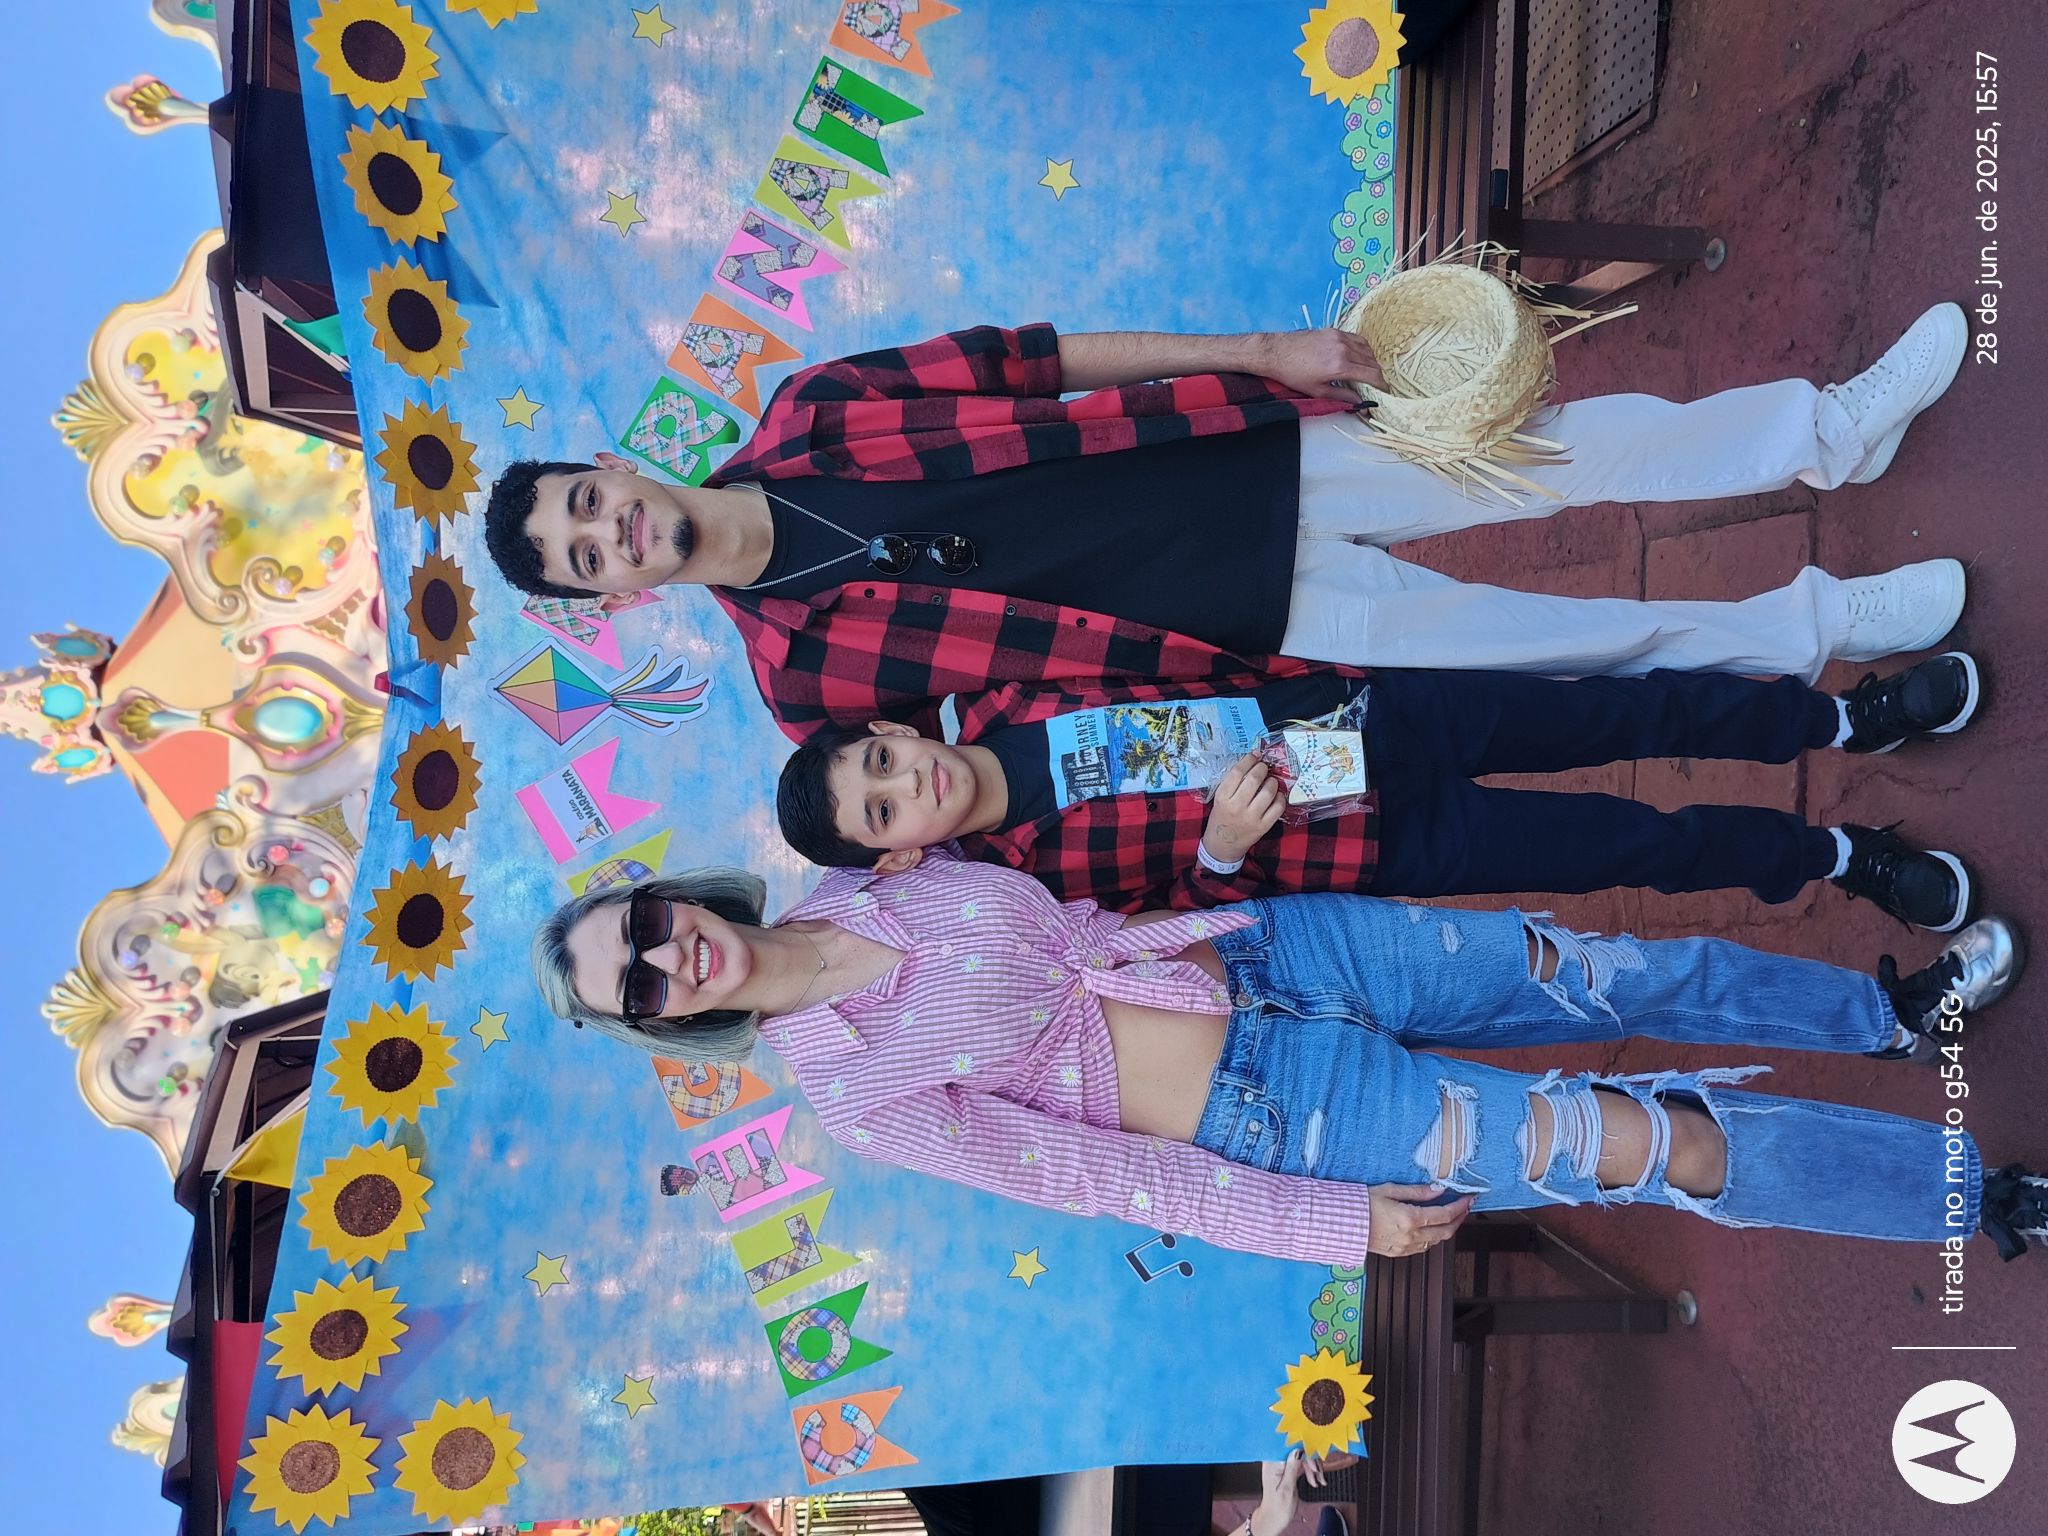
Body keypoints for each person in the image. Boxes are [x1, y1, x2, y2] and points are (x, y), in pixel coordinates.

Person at [483, 309, 1970, 744]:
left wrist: (1260, 355)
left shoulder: (819, 409)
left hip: (1243, 462)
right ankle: (1821, 628)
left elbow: (1037, 362)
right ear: (610, 603)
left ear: (615, 465)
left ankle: (1825, 431)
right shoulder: (801, 688)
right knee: (1570, 645)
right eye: (585, 558)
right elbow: (1004, 745)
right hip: (1246, 632)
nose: (612, 533)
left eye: (587, 504)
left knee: (1564, 452)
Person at [530, 849, 2042, 1263]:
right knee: (1656, 1146)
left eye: (644, 927)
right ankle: (1977, 1200)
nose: (668, 956)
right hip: (1293, 1114)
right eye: (639, 986)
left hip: (1284, 948)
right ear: (663, 1024)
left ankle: (1889, 1016)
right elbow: (1098, 1182)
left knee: (1605, 967)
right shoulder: (851, 1093)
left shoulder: (857, 871)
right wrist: (1324, 1227)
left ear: (673, 898)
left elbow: (1083, 870)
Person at [775, 653, 1982, 932]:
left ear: (888, 729)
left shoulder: (1010, 691)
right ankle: (1835, 859)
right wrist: (1220, 850)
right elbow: (1174, 927)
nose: (907, 782)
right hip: (1364, 843)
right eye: (883, 812)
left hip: (1362, 718)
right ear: (898, 857)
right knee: (1629, 846)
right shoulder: (1028, 888)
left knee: (1618, 711)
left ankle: (1840, 716)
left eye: (880, 762)